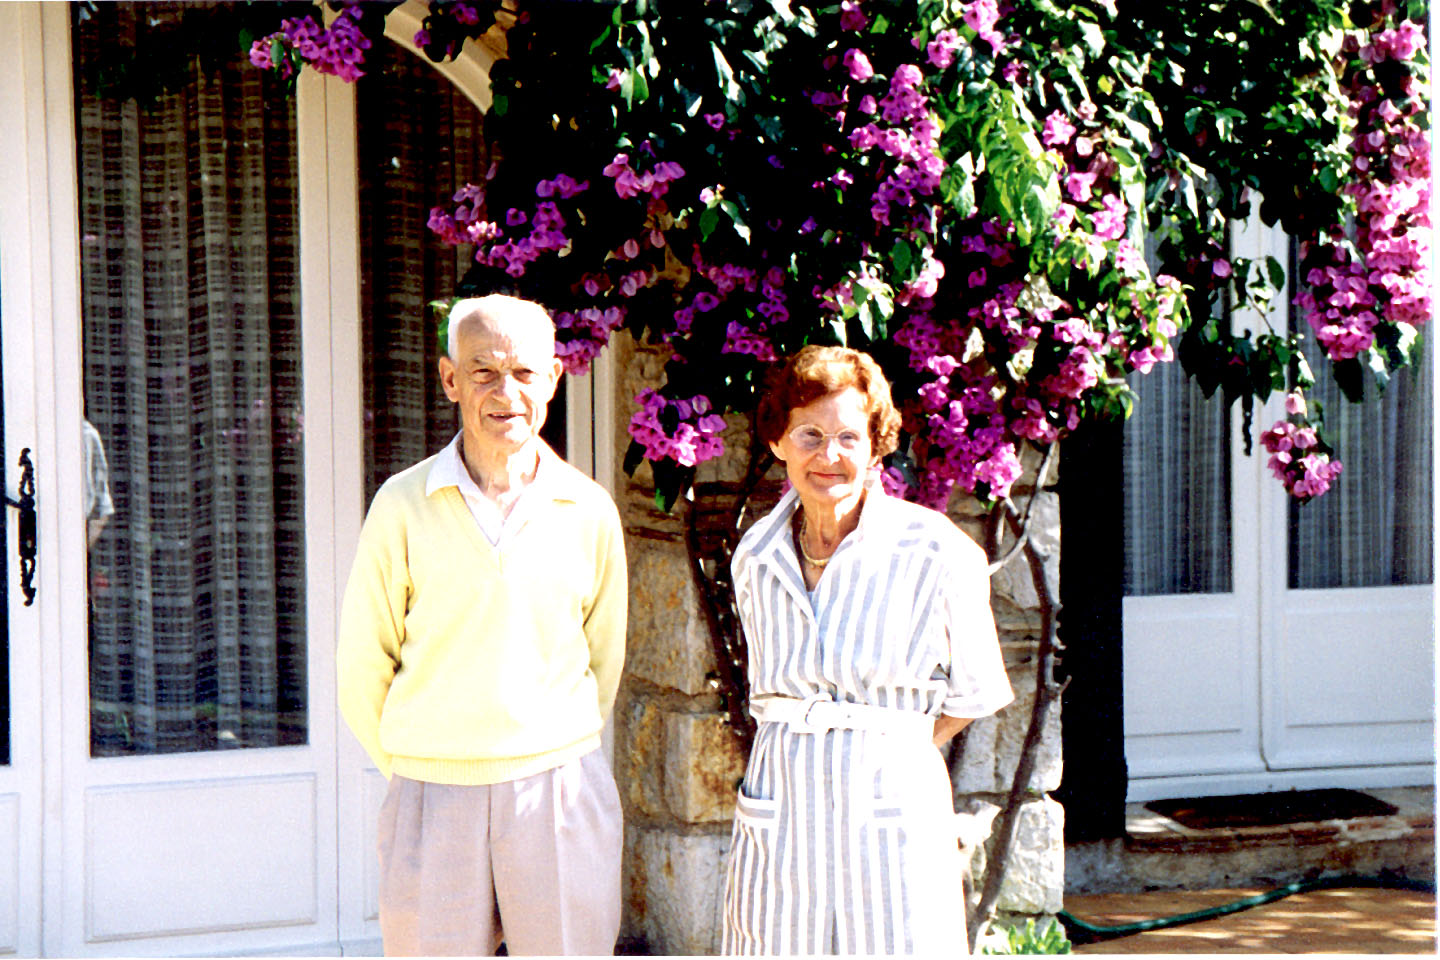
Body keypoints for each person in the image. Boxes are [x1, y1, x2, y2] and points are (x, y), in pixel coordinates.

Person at [337, 294, 627, 956]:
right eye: (483, 371)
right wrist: (422, 761)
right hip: (433, 797)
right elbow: (362, 667)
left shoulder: (588, 509)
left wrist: (545, 745)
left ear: (554, 379)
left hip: (558, 794)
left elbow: (603, 657)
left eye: (525, 373)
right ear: (449, 380)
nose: (506, 392)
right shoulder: (402, 506)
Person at [721, 345, 1014, 955]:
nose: (830, 456)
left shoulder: (937, 552)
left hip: (892, 808)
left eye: (849, 437)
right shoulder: (755, 555)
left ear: (877, 444)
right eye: (810, 434)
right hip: (780, 804)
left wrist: (882, 744)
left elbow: (976, 691)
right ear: (778, 442)